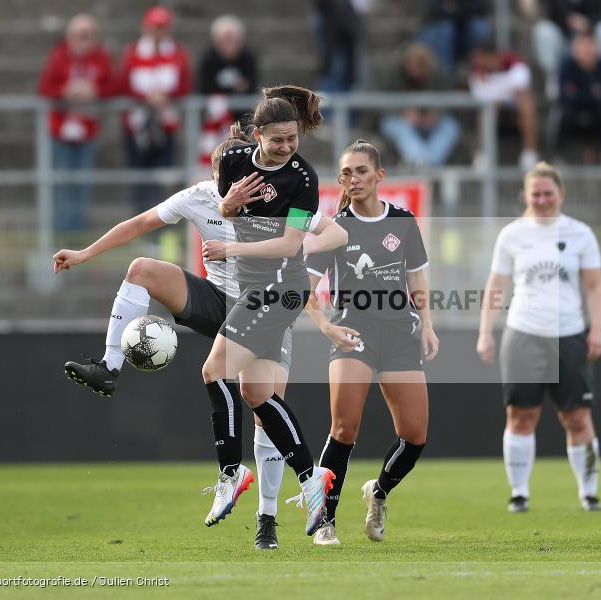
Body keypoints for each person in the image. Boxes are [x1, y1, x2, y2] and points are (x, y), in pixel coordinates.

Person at [53, 133, 347, 550]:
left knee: (261, 401)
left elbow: (333, 234)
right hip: (217, 302)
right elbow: (140, 224)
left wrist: (294, 248)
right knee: (142, 269)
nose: (233, 184)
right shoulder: (200, 195)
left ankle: (268, 518)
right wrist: (85, 253)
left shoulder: (274, 197)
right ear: (215, 175)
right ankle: (110, 365)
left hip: (267, 303)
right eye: (224, 176)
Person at [201, 85, 335, 537]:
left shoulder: (303, 178)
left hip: (282, 287)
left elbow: (292, 243)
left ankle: (230, 472)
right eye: (277, 139)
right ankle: (311, 479)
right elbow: (228, 209)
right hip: (252, 289)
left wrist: (230, 244)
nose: (286, 147)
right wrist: (226, 205)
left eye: (292, 138)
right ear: (256, 134)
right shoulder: (234, 162)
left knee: (213, 370)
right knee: (257, 394)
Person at [304, 140, 439, 545]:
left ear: (379, 176)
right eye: (346, 172)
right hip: (352, 332)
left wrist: (427, 324)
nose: (353, 178)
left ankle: (378, 493)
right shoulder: (334, 228)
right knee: (344, 428)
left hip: (400, 334)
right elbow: (306, 291)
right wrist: (326, 327)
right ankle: (324, 520)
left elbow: (416, 277)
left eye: (361, 171)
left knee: (415, 436)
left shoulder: (402, 220)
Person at [477, 161, 601, 514]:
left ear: (561, 194)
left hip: (569, 334)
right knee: (521, 415)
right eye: (536, 194)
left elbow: (594, 286)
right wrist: (485, 332)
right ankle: (519, 492)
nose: (543, 200)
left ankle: (589, 492)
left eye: (548, 193)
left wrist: (596, 329)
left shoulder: (580, 233)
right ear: (526, 196)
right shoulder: (512, 235)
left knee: (578, 416)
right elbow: (497, 286)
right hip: (524, 333)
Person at [37, 13, 113, 233]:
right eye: (80, 35)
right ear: (70, 37)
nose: (84, 40)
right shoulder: (59, 56)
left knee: (83, 181)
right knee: (62, 181)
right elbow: (45, 87)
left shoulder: (101, 58)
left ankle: (79, 228)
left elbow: (113, 85)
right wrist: (65, 91)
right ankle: (62, 228)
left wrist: (94, 91)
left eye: (89, 35)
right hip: (61, 130)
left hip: (87, 130)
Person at [116, 5, 193, 214]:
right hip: (138, 125)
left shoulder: (177, 53)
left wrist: (167, 97)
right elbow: (122, 85)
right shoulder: (133, 52)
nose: (158, 31)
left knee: (164, 177)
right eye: (155, 27)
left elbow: (185, 85)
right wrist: (146, 98)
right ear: (145, 27)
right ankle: (139, 222)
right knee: (139, 176)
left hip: (166, 124)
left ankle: (162, 227)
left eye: (162, 27)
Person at [377, 42, 462, 168]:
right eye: (415, 66)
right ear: (406, 64)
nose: (418, 72)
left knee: (451, 127)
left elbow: (450, 102)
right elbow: (378, 104)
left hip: (430, 123)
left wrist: (436, 113)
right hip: (401, 121)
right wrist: (403, 113)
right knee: (398, 127)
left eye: (422, 67)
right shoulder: (393, 75)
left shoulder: (438, 75)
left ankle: (427, 164)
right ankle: (420, 162)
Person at [520, 0, 601, 101]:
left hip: (592, 42)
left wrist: (588, 23)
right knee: (543, 30)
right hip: (565, 40)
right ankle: (554, 79)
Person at [197, 15, 260, 169]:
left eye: (233, 41)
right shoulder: (208, 59)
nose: (229, 46)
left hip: (241, 119)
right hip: (214, 120)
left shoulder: (247, 58)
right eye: (225, 41)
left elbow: (250, 86)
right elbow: (205, 88)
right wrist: (235, 88)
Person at [468, 41, 539, 171]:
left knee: (527, 103)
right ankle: (482, 155)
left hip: (515, 106)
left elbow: (522, 88)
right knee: (488, 109)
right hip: (494, 108)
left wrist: (496, 91)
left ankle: (529, 153)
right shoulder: (477, 68)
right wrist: (505, 91)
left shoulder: (514, 62)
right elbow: (479, 95)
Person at [554, 32, 601, 164]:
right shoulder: (566, 65)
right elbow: (563, 96)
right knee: (564, 113)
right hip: (573, 111)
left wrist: (578, 93)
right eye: (584, 46)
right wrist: (593, 93)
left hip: (597, 111)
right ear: (575, 49)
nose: (588, 50)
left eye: (591, 46)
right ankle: (559, 154)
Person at [417, 0, 491, 71]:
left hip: (466, 32)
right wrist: (458, 11)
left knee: (479, 26)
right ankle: (445, 74)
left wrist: (456, 9)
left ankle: (480, 71)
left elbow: (483, 7)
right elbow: (433, 11)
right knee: (445, 29)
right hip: (444, 34)